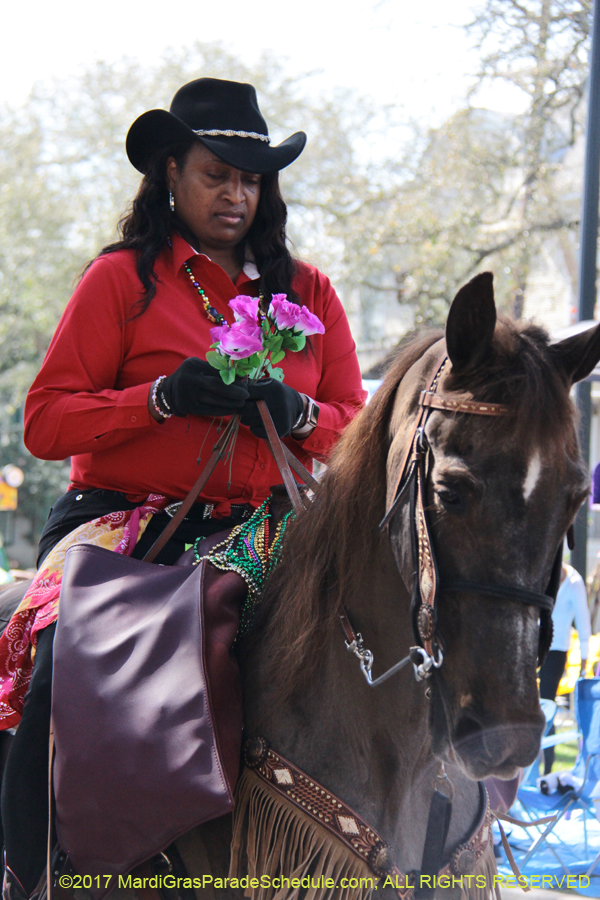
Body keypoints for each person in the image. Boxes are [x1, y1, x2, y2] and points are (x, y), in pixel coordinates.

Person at [0, 77, 366, 898]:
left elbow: (355, 426)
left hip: (274, 523)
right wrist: (159, 399)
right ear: (171, 171)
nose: (236, 194)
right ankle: (33, 871)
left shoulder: (309, 293)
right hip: (130, 523)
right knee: (64, 659)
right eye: (216, 174)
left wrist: (296, 409)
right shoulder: (122, 281)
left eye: (251, 178)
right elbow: (47, 422)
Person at [538, 561, 592, 774]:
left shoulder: (574, 582)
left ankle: (547, 768)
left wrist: (585, 662)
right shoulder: (542, 572)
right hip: (533, 646)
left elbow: (583, 623)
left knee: (547, 706)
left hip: (556, 651)